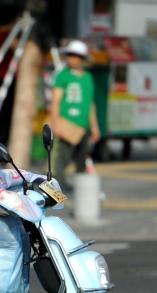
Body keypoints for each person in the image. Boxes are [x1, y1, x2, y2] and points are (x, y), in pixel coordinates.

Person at [50, 39, 100, 191]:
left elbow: (90, 104)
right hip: (67, 123)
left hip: (83, 125)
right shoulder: (62, 76)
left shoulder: (88, 78)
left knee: (81, 159)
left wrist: (95, 126)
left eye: (76, 55)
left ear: (82, 58)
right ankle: (58, 188)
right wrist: (55, 123)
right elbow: (56, 101)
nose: (72, 58)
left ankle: (79, 187)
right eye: (70, 55)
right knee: (61, 158)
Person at [0, 4, 21, 145]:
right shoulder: (8, 35)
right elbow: (18, 50)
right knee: (6, 117)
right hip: (7, 80)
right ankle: (3, 145)